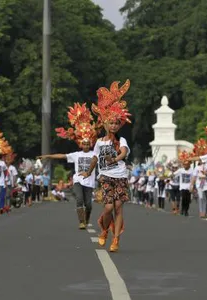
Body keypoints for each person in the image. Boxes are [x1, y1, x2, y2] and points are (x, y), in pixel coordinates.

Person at [82, 80, 131, 253]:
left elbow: (124, 153)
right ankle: (104, 230)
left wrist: (115, 159)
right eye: (111, 123)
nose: (114, 125)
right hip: (105, 177)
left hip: (120, 176)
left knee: (118, 207)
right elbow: (95, 158)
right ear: (105, 124)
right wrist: (88, 172)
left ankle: (116, 238)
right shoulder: (99, 142)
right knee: (109, 207)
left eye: (117, 123)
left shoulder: (121, 140)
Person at [39, 103, 98, 229]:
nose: (86, 146)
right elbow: (62, 156)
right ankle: (81, 222)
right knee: (79, 200)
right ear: (81, 145)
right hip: (78, 180)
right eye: (84, 144)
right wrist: (48, 156)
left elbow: (100, 162)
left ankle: (86, 218)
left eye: (88, 144)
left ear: (91, 144)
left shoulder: (95, 154)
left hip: (90, 182)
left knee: (89, 204)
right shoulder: (76, 154)